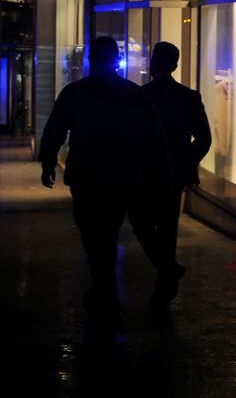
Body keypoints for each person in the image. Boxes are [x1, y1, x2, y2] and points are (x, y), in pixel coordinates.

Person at [38, 36, 170, 329]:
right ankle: (105, 287)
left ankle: (103, 288)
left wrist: (48, 161)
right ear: (116, 59)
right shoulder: (133, 94)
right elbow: (153, 136)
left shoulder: (76, 92)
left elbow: (56, 129)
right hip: (123, 174)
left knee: (93, 232)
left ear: (90, 59)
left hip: (87, 173)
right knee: (108, 229)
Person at [133, 41, 212, 307]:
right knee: (168, 229)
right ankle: (166, 283)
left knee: (141, 221)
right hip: (175, 172)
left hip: (147, 170)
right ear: (175, 65)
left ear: (154, 62)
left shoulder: (142, 96)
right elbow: (204, 138)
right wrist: (185, 160)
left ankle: (166, 272)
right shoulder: (189, 97)